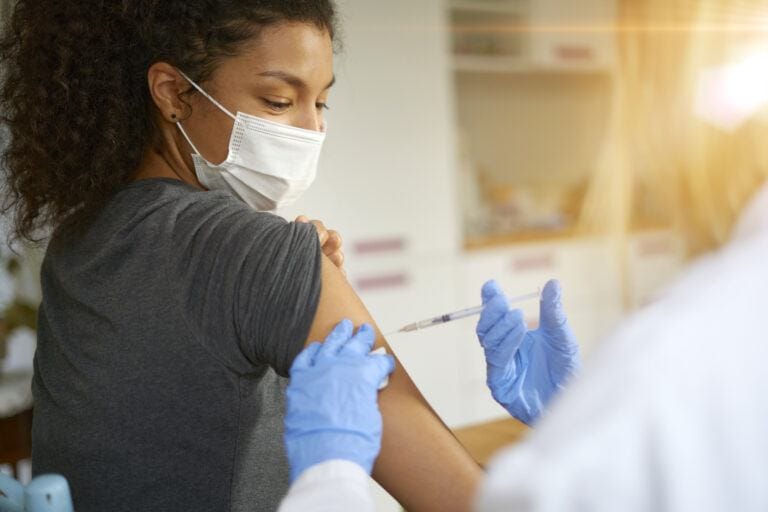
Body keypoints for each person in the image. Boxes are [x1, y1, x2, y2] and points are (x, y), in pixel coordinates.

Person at [0, 1, 536, 510]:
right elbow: (467, 501)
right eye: (280, 100)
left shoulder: (77, 242)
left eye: (321, 101)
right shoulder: (256, 251)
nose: (313, 130)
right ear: (172, 92)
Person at [277, 1, 768, 510]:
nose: (311, 130)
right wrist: (572, 411)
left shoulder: (674, 364)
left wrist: (330, 471)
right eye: (276, 101)